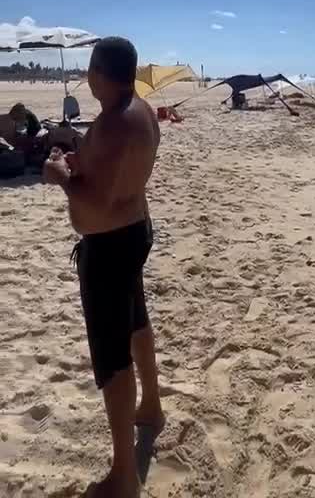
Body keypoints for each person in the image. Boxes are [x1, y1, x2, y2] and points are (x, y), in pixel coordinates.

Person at [43, 37, 163, 498]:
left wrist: (60, 176)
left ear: (96, 72)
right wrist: (83, 162)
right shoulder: (143, 111)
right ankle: (151, 406)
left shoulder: (113, 122)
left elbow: (93, 201)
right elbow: (117, 173)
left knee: (112, 358)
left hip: (110, 244)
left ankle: (123, 477)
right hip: (136, 228)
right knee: (136, 317)